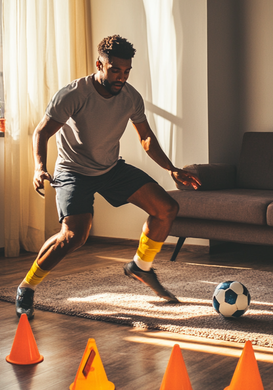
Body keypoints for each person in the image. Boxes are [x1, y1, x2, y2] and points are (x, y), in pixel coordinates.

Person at [15, 35, 201, 320]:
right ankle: (26, 288)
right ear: (99, 64)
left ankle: (141, 266)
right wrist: (39, 167)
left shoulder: (129, 97)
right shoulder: (73, 95)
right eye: (115, 70)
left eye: (126, 71)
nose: (121, 77)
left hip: (111, 168)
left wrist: (171, 168)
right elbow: (41, 132)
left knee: (166, 208)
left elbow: (147, 138)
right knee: (74, 236)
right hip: (73, 170)